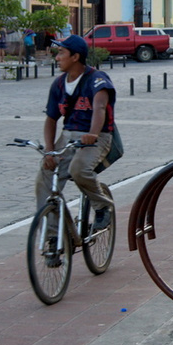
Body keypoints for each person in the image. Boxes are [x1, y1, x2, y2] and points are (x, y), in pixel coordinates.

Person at [35, 34, 116, 232]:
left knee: (78, 169)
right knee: (45, 176)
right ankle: (55, 236)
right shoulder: (59, 84)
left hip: (97, 136)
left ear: (75, 57)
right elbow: (51, 119)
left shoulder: (97, 80)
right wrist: (49, 149)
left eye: (61, 52)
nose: (57, 57)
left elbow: (100, 108)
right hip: (68, 135)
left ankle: (102, 206)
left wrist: (93, 133)